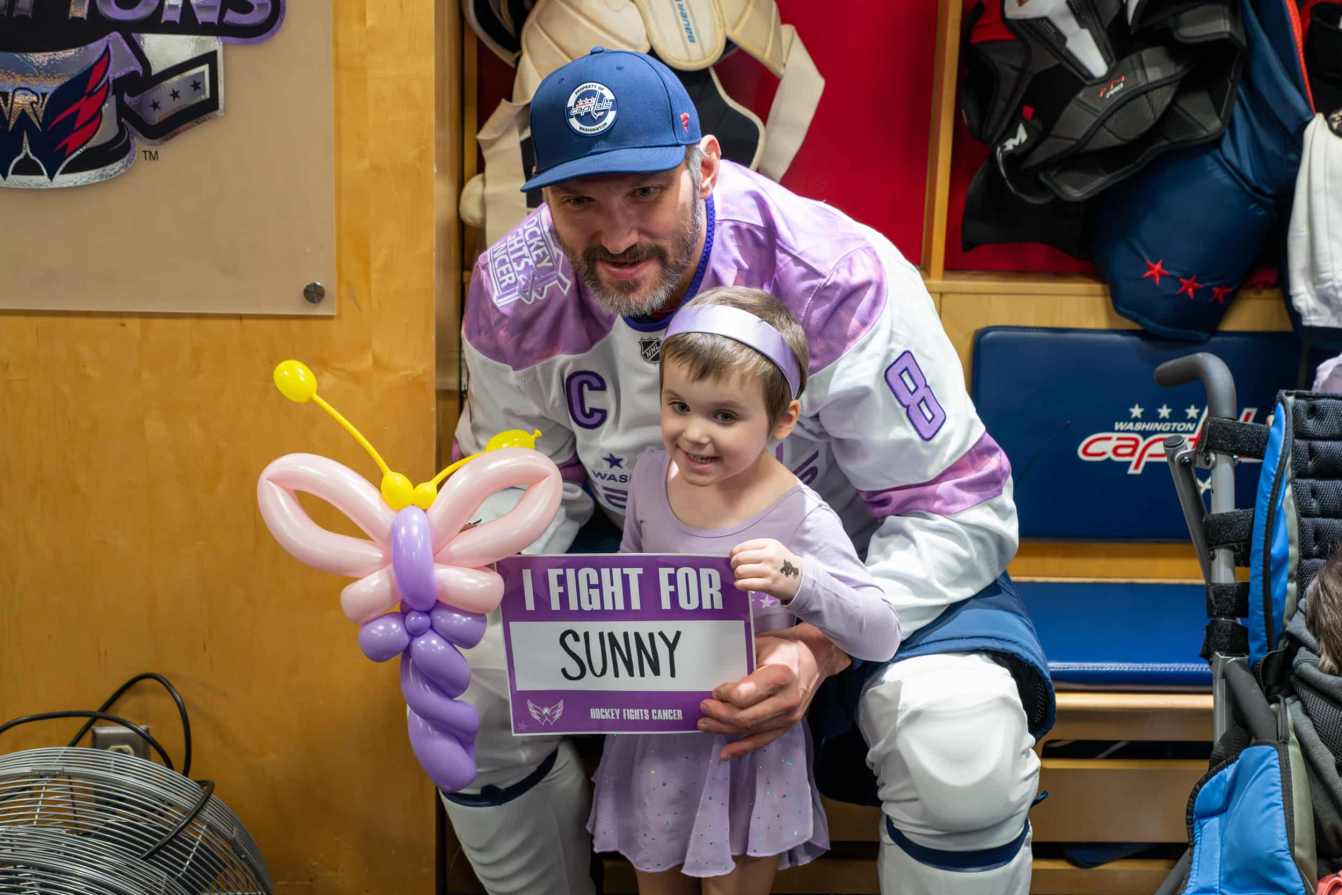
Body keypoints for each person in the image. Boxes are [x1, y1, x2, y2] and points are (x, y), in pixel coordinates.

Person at [445, 47, 1054, 895]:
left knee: (959, 743)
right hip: (639, 557)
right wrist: (491, 602)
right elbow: (520, 496)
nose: (617, 235)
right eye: (579, 199)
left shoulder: (835, 274)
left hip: (851, 561)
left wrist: (817, 642)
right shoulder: (516, 288)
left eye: (646, 193)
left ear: (704, 166)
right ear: (542, 197)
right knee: (463, 688)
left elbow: (963, 511)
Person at [588, 286, 903, 893]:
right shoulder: (651, 477)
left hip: (744, 747)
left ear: (783, 419)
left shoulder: (801, 515)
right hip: (653, 737)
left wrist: (801, 582)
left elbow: (880, 630)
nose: (693, 433)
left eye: (724, 416)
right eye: (678, 405)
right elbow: (628, 577)